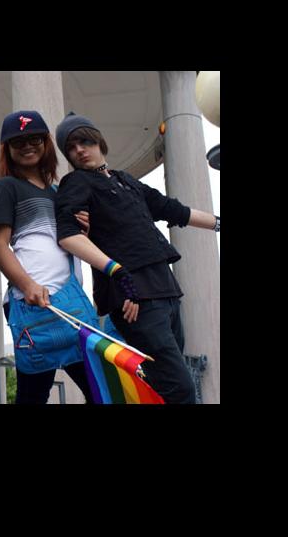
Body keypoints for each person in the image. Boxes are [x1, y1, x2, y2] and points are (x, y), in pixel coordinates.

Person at [54, 112, 220, 404]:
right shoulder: (76, 182)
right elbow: (67, 235)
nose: (79, 149)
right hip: (134, 297)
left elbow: (174, 210)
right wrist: (118, 273)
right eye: (71, 147)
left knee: (163, 384)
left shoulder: (126, 180)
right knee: (179, 387)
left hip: (166, 289)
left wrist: (217, 223)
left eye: (85, 141)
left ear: (98, 141)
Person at [0, 110, 93, 404]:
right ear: (7, 148)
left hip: (71, 301)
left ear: (46, 143)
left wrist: (83, 229)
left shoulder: (59, 193)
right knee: (34, 396)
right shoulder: (3, 187)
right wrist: (28, 285)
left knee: (100, 390)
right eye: (18, 141)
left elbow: (68, 243)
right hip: (33, 302)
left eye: (34, 139)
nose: (27, 146)